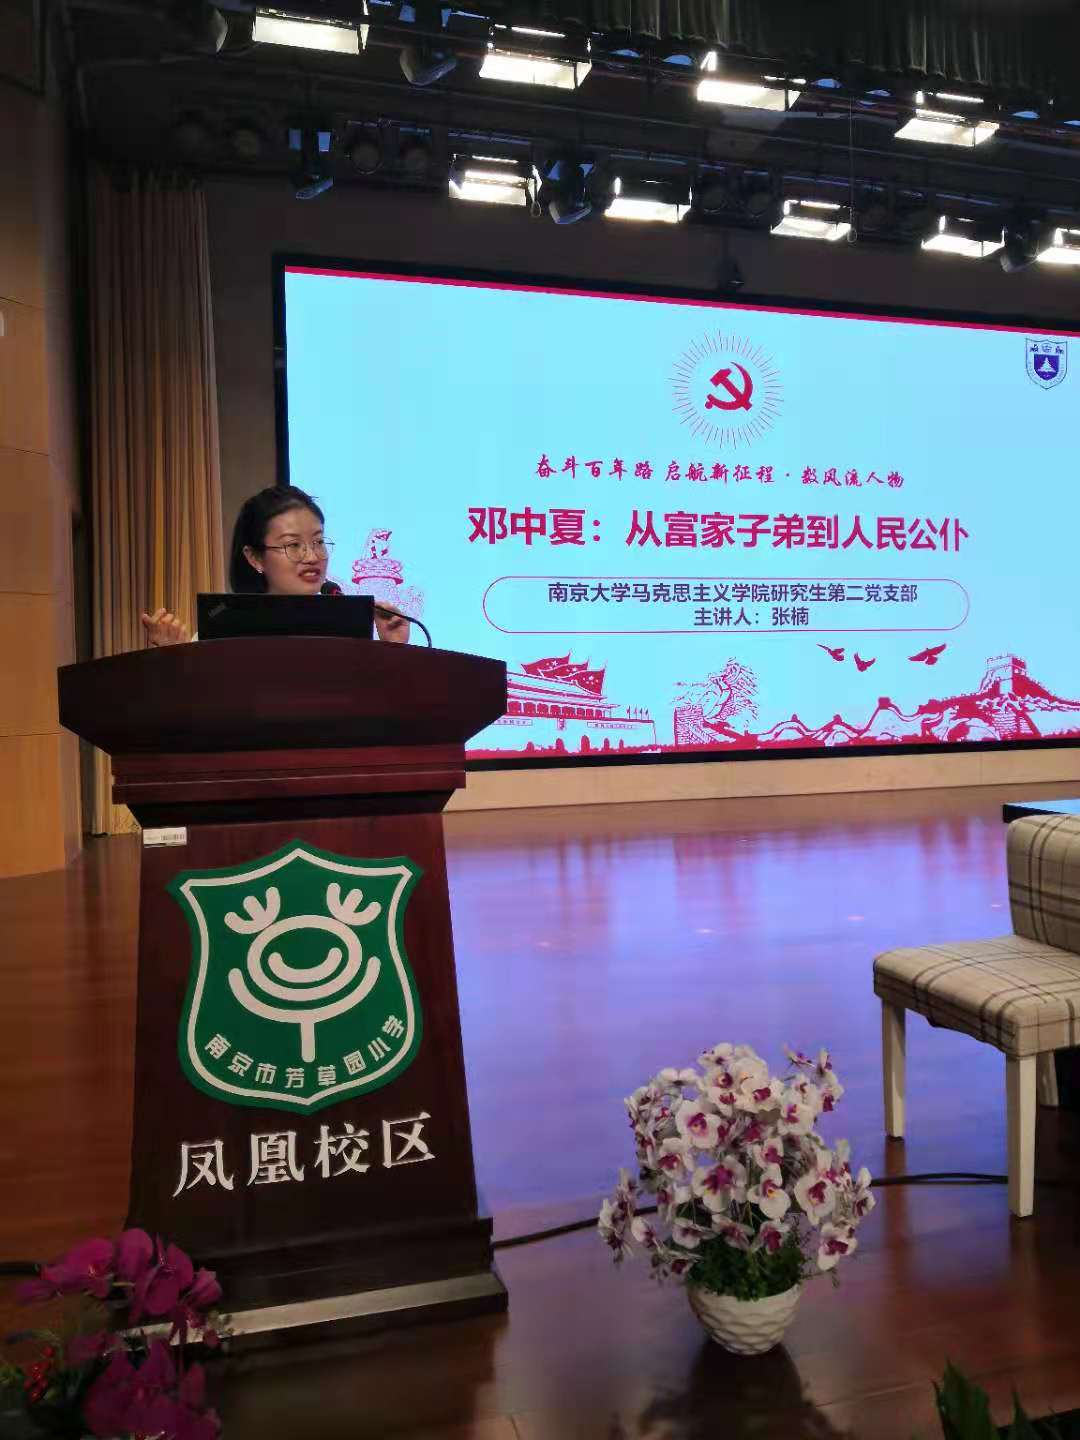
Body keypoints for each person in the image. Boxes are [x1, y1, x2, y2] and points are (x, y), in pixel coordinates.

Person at [141, 485, 410, 646]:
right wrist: (178, 660)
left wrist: (395, 648)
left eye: (318, 542)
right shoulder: (222, 632)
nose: (312, 556)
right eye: (293, 545)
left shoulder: (349, 630)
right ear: (255, 558)